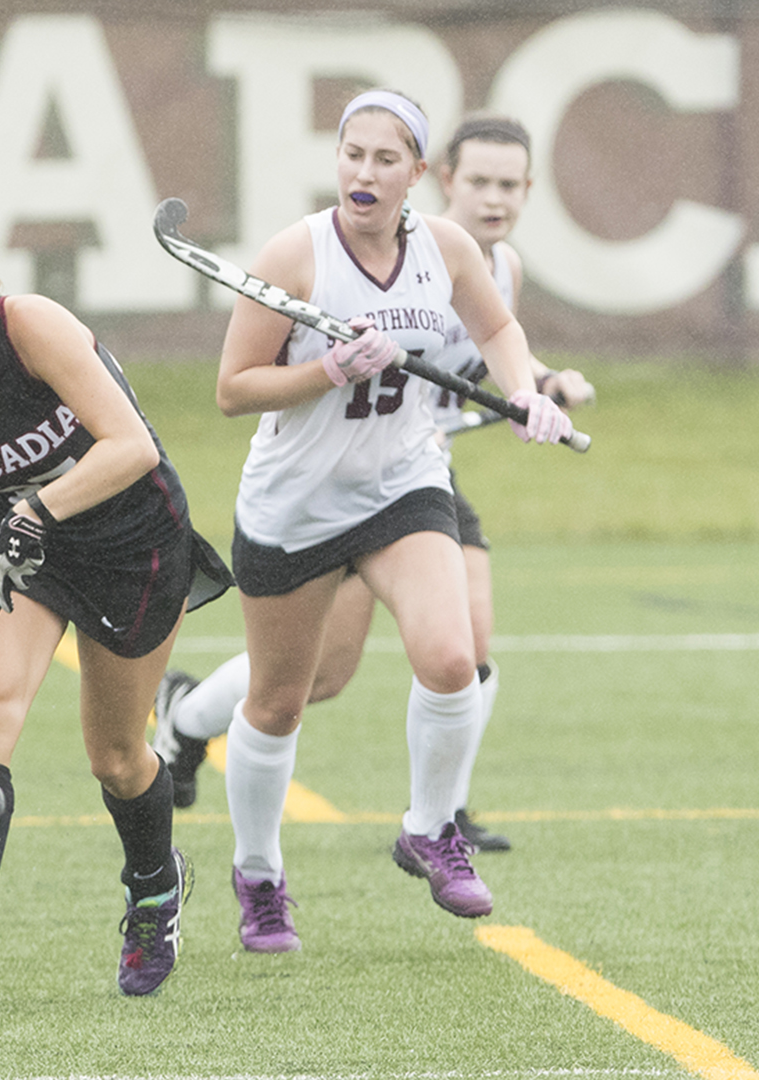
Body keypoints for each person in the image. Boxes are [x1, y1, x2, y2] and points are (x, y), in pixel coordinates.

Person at [162, 90, 574, 955]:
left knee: (453, 656)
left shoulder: (447, 248)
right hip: (295, 503)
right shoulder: (296, 255)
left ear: (417, 175)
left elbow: (497, 325)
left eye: (386, 160)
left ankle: (430, 828)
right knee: (279, 703)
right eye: (353, 154)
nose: (364, 173)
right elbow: (234, 389)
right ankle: (260, 875)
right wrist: (329, 369)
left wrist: (527, 390)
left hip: (402, 482)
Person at [0, 223, 231, 1004]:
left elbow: (130, 444)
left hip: (136, 543)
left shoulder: (29, 327)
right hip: (25, 548)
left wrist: (44, 506)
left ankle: (155, 890)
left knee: (117, 759)